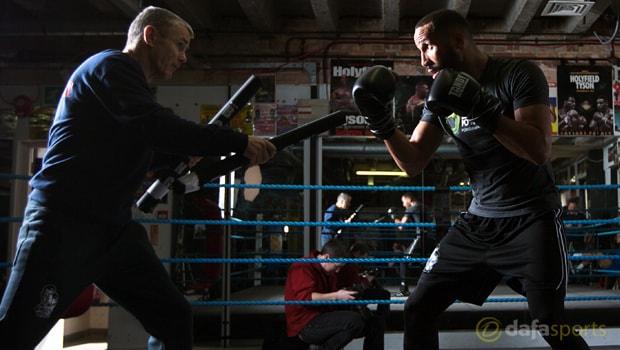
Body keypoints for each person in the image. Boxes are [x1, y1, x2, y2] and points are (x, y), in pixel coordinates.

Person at [0, 6, 276, 350]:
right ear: (150, 36)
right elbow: (156, 126)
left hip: (113, 231)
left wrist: (175, 160)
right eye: (180, 45)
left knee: (173, 316)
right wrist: (240, 142)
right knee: (14, 334)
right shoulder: (109, 68)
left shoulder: (132, 94)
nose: (184, 56)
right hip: (64, 224)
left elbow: (138, 145)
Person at [352, 8, 590, 350]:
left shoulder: (517, 75)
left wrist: (482, 107)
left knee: (550, 321)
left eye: (428, 47)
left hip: (531, 217)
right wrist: (382, 124)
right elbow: (413, 161)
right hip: (478, 223)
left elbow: (539, 150)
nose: (423, 60)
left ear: (458, 41)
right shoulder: (440, 96)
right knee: (417, 308)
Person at [284, 239, 385, 350]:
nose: (338, 271)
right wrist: (337, 296)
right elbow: (305, 297)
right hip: (306, 323)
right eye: (337, 266)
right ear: (327, 257)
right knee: (354, 321)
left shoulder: (329, 272)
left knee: (376, 323)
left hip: (324, 316)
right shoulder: (302, 266)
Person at [336, 242, 391, 325]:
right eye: (363, 256)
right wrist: (367, 280)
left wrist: (362, 277)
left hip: (350, 291)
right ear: (357, 253)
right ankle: (382, 320)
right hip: (352, 293)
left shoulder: (350, 263)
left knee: (381, 291)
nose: (363, 259)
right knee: (384, 294)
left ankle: (381, 320)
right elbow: (356, 285)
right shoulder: (351, 264)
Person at [393, 192, 422, 296]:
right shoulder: (424, 207)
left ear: (409, 199)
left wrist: (393, 217)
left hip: (420, 238)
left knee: (404, 261)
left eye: (403, 201)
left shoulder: (411, 208)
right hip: (429, 238)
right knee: (426, 262)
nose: (403, 204)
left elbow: (401, 226)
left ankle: (403, 289)